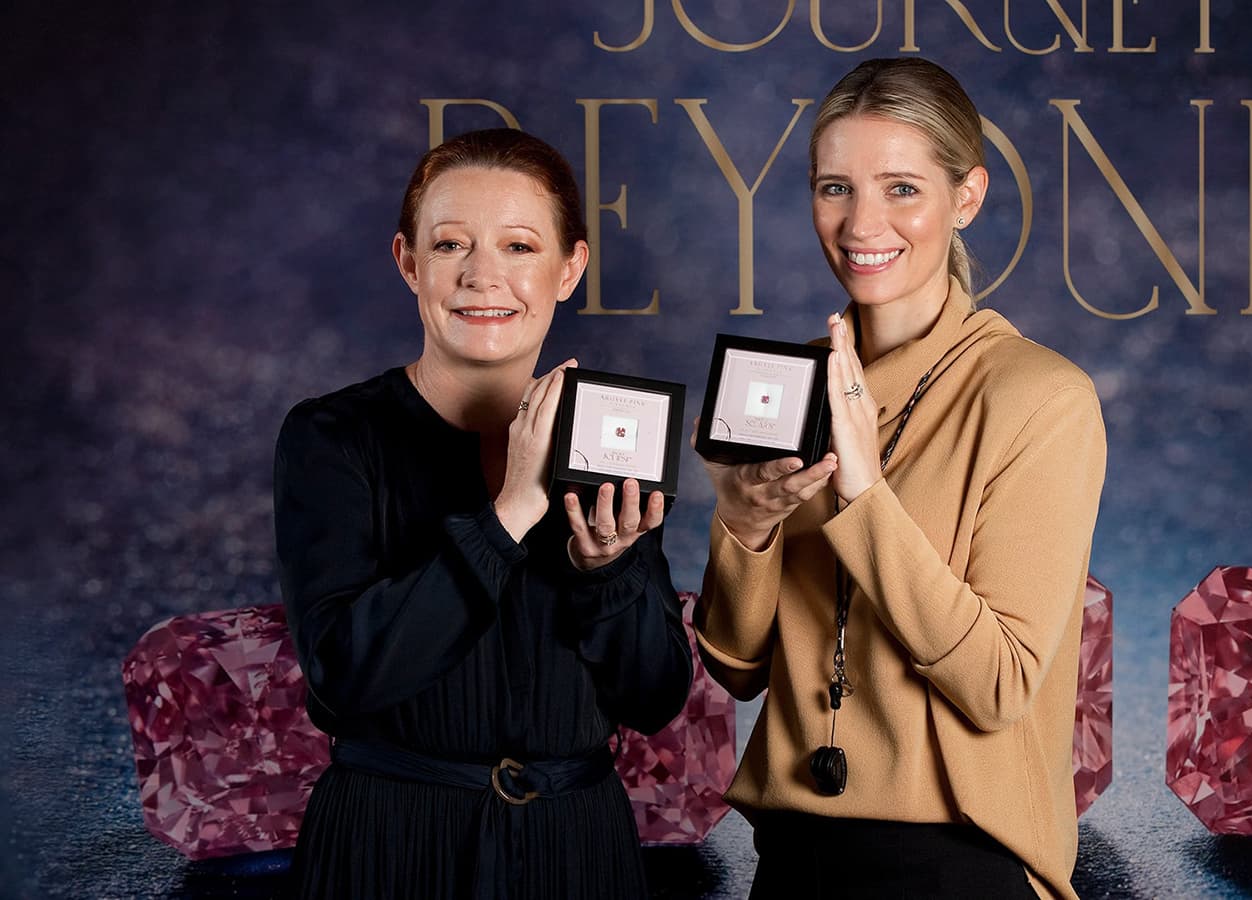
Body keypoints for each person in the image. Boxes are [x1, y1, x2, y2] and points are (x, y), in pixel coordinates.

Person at [693, 59, 1107, 899]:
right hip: (795, 856)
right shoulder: (792, 383)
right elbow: (736, 670)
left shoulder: (1041, 396)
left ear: (968, 196)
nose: (861, 223)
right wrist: (742, 527)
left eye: (902, 189)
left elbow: (996, 687)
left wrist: (863, 494)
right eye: (835, 187)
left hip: (960, 860)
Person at [273, 128, 692, 899]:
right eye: (450, 244)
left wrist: (609, 571)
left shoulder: (612, 433)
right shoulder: (331, 437)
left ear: (571, 268)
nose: (482, 276)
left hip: (578, 852)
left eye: (520, 246)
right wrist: (510, 515)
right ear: (408, 262)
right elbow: (344, 677)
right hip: (387, 847)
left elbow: (655, 698)